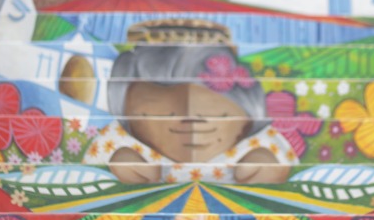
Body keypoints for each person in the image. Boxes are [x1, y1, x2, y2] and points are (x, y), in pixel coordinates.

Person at [83, 44, 296, 185]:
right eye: (161, 112)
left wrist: (267, 166)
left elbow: (283, 162)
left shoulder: (252, 143)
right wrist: (120, 166)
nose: (190, 119)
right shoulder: (125, 141)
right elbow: (93, 168)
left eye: (217, 114)